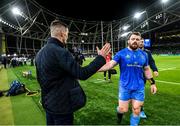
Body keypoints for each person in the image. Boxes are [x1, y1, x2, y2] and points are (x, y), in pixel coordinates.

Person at [35, 20, 110, 125]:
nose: (67, 37)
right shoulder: (60, 51)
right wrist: (100, 58)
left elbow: (39, 79)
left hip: (48, 103)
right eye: (67, 34)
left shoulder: (40, 53)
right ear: (63, 34)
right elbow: (82, 74)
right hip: (62, 106)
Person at [98, 32, 157, 125]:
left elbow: (146, 69)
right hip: (125, 87)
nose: (135, 41)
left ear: (140, 41)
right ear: (128, 41)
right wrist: (96, 68)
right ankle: (119, 116)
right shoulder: (121, 53)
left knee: (137, 110)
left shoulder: (144, 54)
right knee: (123, 109)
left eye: (137, 39)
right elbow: (110, 64)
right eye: (133, 39)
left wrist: (152, 83)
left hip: (139, 87)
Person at [138, 38, 159, 119]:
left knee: (141, 93)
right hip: (132, 76)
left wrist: (155, 70)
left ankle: (141, 109)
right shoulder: (132, 52)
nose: (141, 43)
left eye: (142, 42)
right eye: (140, 41)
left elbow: (152, 62)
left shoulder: (147, 52)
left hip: (143, 77)